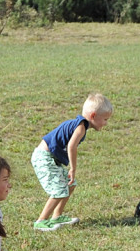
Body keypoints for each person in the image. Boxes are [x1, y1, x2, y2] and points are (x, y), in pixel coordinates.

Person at [31, 93, 113, 231]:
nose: (106, 123)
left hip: (51, 158)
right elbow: (71, 146)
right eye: (105, 119)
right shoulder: (80, 127)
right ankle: (41, 221)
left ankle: (57, 216)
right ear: (93, 116)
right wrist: (73, 169)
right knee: (59, 189)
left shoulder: (80, 125)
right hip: (43, 158)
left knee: (70, 184)